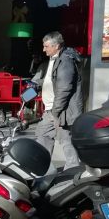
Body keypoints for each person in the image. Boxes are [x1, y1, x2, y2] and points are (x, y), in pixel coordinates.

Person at [31, 31, 84, 169]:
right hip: (54, 108)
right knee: (48, 136)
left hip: (60, 110)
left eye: (46, 46)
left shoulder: (65, 60)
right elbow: (53, 80)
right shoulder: (56, 58)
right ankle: (47, 167)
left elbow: (64, 88)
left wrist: (55, 112)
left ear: (57, 46)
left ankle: (69, 169)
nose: (44, 49)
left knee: (62, 139)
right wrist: (39, 84)